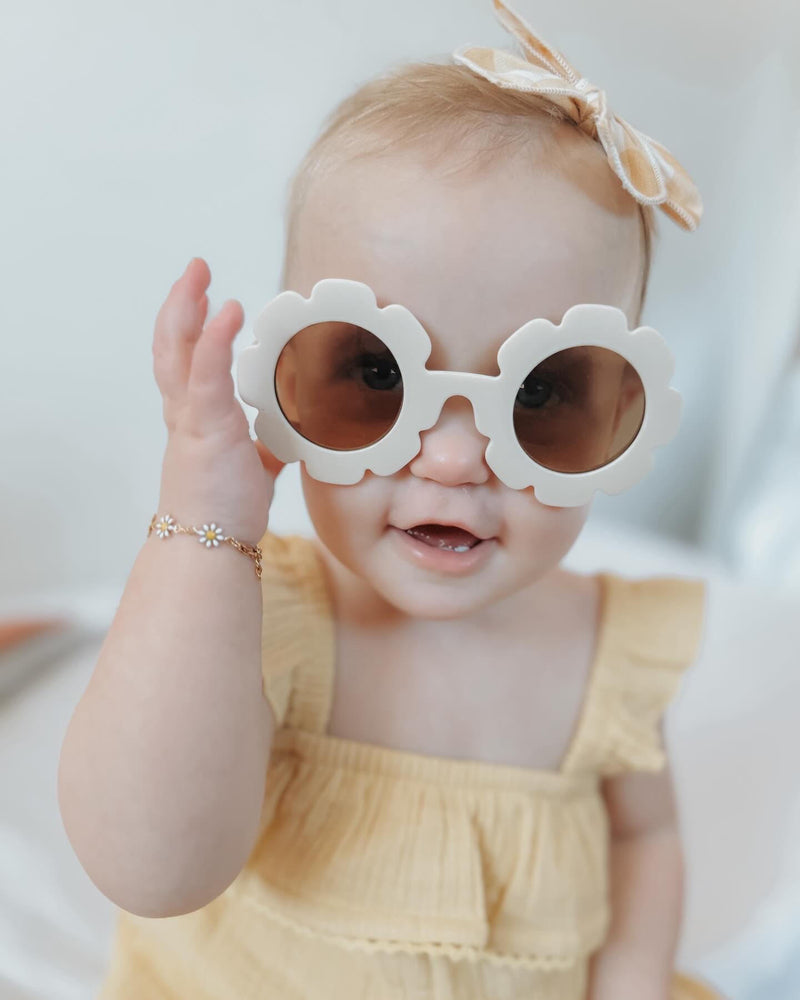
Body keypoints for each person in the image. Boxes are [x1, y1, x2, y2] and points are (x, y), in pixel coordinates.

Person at [58, 2, 726, 997]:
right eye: (377, 373)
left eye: (539, 393)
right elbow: (150, 868)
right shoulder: (255, 620)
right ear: (283, 378)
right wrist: (205, 529)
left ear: (621, 403)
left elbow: (646, 834)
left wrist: (627, 975)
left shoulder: (609, 650)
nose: (454, 458)